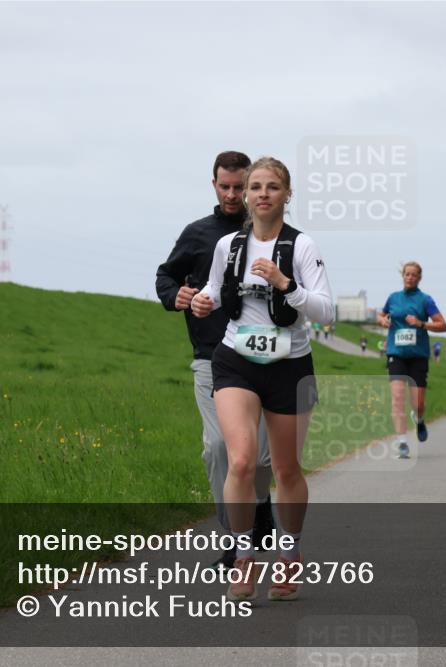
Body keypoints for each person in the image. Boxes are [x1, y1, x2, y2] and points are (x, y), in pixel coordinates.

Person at [192, 156, 334, 602]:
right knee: (240, 461)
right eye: (255, 187)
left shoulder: (302, 246)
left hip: (290, 366)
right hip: (236, 359)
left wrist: (284, 283)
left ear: (287, 195)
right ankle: (243, 556)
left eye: (272, 187)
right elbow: (216, 291)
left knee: (287, 469)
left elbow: (326, 309)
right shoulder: (229, 246)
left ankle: (289, 556)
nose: (261, 194)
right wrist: (201, 301)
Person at [155, 150, 274, 570]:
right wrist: (176, 297)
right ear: (214, 184)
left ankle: (260, 512)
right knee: (219, 448)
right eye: (225, 186)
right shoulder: (198, 234)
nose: (232, 194)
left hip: (263, 356)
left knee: (259, 457)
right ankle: (238, 535)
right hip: (211, 358)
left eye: (240, 187)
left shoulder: (267, 232)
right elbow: (165, 276)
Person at [378, 262, 446, 459]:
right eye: (407, 274)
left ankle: (419, 419)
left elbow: (442, 325)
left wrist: (421, 323)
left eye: (414, 275)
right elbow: (381, 315)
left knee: (418, 403)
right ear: (403, 276)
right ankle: (402, 442)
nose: (410, 277)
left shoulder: (425, 300)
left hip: (418, 356)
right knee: (398, 398)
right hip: (396, 354)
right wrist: (382, 320)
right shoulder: (393, 298)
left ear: (419, 278)